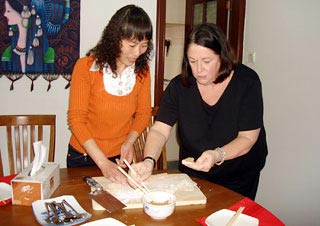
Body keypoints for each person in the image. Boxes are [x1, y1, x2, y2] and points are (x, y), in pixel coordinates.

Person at [130, 23, 268, 200]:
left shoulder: (246, 82)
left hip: (239, 174)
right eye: (192, 61)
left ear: (222, 56)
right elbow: (159, 130)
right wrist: (149, 160)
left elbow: (247, 138)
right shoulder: (179, 87)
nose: (198, 70)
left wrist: (216, 155)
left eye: (206, 61)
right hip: (195, 173)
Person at [67, 4, 153, 184]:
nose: (137, 53)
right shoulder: (86, 67)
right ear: (115, 39)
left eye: (144, 46)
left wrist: (129, 141)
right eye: (132, 45)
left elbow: (144, 113)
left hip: (119, 158)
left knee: (118, 209)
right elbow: (76, 120)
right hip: (83, 157)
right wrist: (102, 163)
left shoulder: (142, 71)